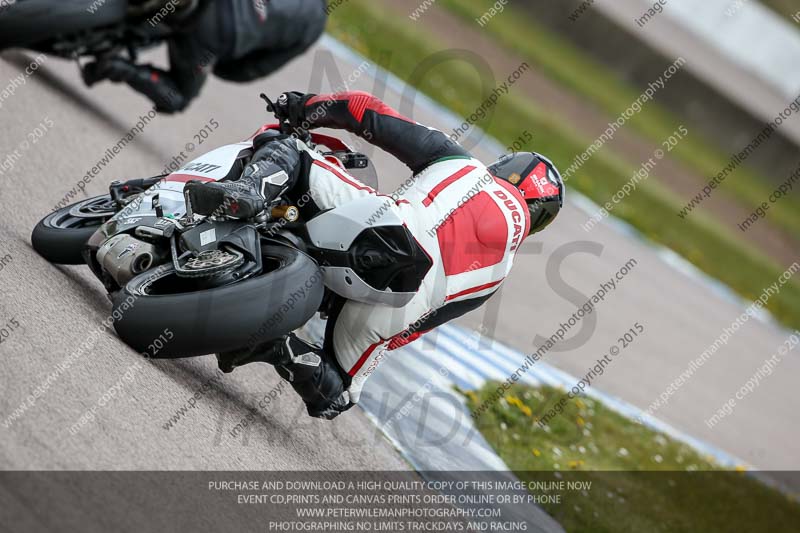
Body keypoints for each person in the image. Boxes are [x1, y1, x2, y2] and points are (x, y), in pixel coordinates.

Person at [185, 91, 565, 419]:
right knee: (337, 398)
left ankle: (249, 192)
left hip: (382, 225)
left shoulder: (464, 165)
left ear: (505, 169)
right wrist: (374, 336)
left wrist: (305, 106)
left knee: (292, 152)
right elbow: (418, 328)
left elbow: (367, 112)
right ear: (539, 221)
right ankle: (273, 344)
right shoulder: (499, 274)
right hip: (394, 305)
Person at [82, 0, 328, 113]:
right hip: (215, 36)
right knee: (178, 97)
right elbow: (253, 69)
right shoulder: (314, 22)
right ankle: (114, 65)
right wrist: (217, 62)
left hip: (206, 14)